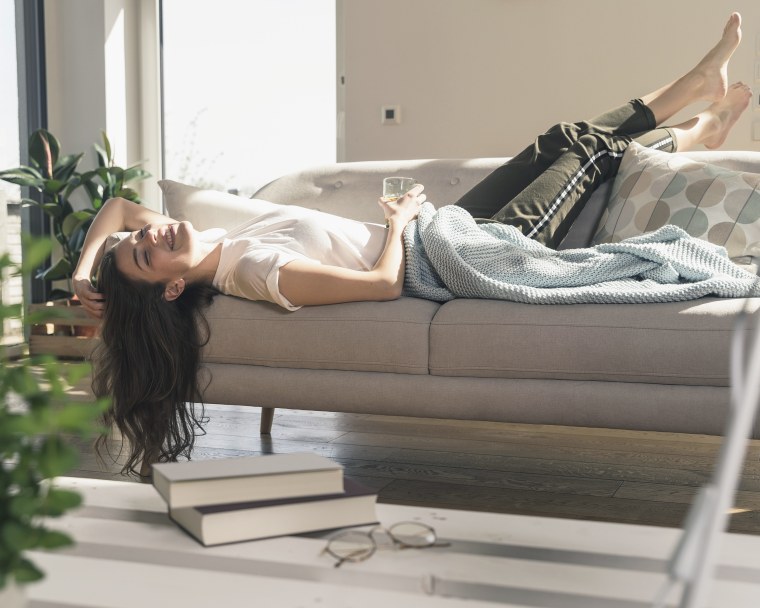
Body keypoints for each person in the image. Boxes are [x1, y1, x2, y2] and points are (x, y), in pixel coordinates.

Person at [75, 14, 750, 476]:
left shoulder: (221, 242)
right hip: (464, 253)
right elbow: (381, 286)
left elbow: (118, 204)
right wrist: (396, 222)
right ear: (170, 286)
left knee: (560, 138)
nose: (149, 230)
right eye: (145, 252)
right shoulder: (256, 271)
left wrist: (88, 271)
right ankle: (695, 106)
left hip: (442, 226)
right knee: (582, 151)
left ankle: (696, 123)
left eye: (142, 235)